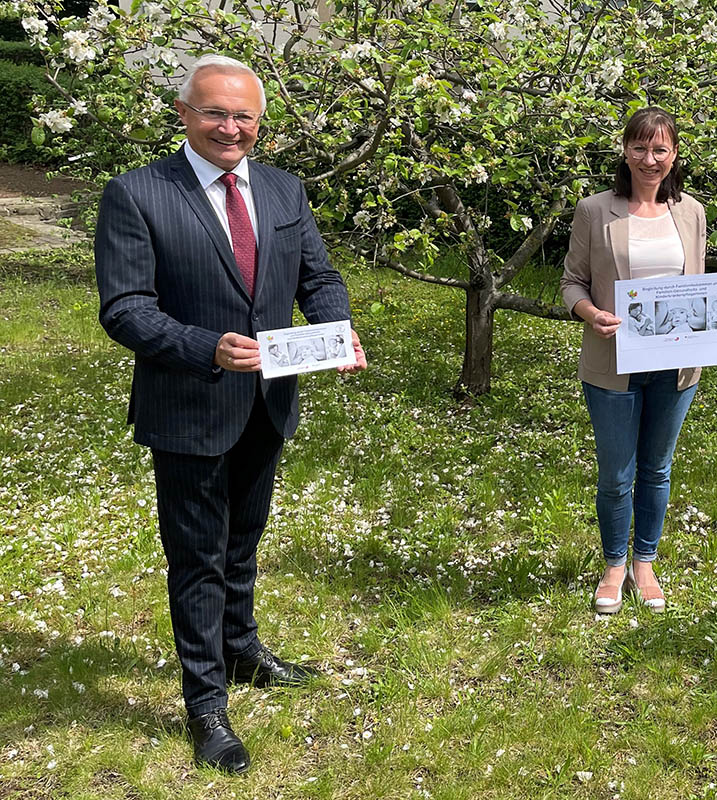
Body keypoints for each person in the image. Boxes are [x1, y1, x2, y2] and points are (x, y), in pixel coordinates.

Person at [95, 54, 367, 774]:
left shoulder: (282, 191)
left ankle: (242, 650)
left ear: (260, 124)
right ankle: (206, 703)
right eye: (215, 112)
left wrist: (336, 331)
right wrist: (204, 347)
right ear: (184, 113)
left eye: (244, 115)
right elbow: (124, 309)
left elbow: (319, 276)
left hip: (267, 404)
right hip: (187, 405)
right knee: (196, 559)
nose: (230, 127)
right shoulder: (137, 193)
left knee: (243, 539)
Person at [560, 107, 717, 614]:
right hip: (612, 362)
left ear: (674, 155)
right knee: (616, 475)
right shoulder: (594, 210)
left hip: (678, 365)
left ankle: (643, 562)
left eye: (660, 149)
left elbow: (696, 287)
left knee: (657, 469)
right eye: (640, 148)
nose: (650, 159)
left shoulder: (691, 211)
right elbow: (570, 282)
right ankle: (612, 565)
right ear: (624, 150)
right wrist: (589, 312)